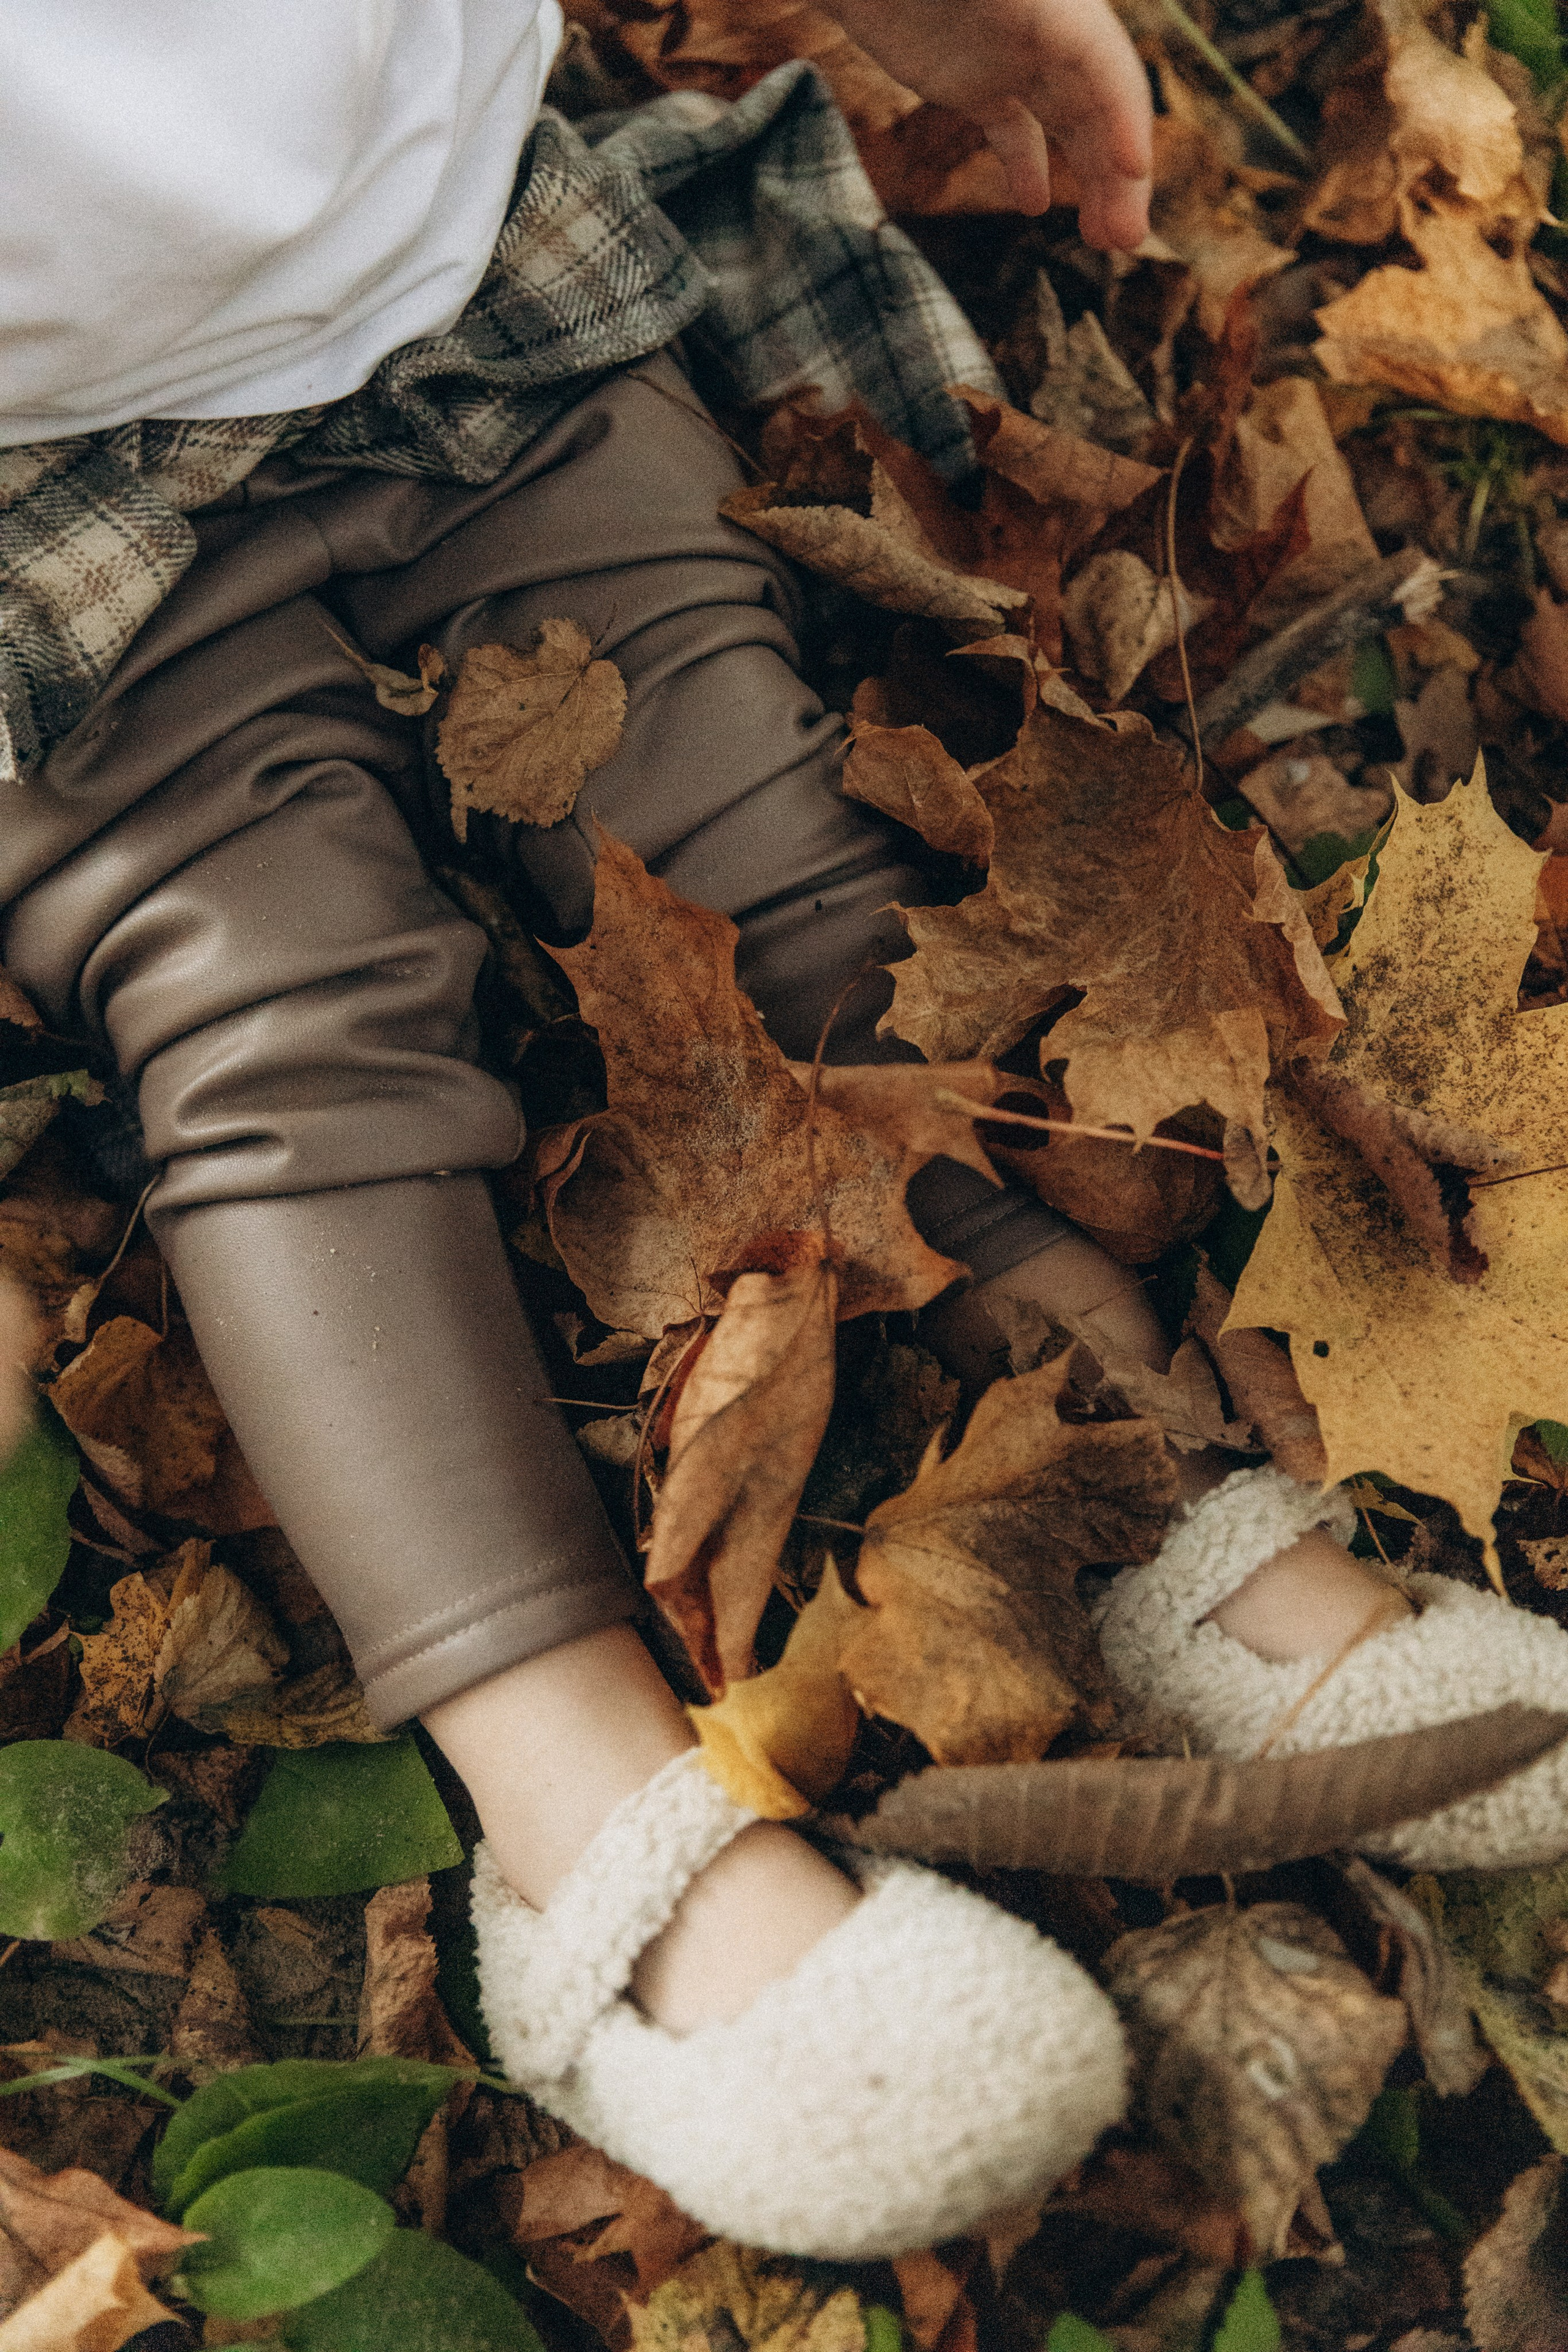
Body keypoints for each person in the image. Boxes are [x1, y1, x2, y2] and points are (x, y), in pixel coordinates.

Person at [6, 0, 1568, 2261]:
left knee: (787, 873)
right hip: (33, 493)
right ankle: (585, 1826)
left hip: (445, 262)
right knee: (287, 1028)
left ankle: (1122, 1480)